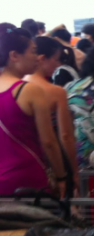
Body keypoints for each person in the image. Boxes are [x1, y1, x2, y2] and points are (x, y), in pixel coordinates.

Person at [0, 27, 67, 195]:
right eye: (33, 51)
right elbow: (48, 142)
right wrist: (61, 177)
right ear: (14, 56)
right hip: (28, 177)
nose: (37, 58)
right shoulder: (29, 90)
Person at [25, 37, 80, 193]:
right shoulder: (56, 92)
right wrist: (74, 171)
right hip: (55, 159)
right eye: (56, 59)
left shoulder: (16, 87)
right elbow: (65, 136)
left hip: (27, 159)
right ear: (42, 59)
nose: (58, 65)